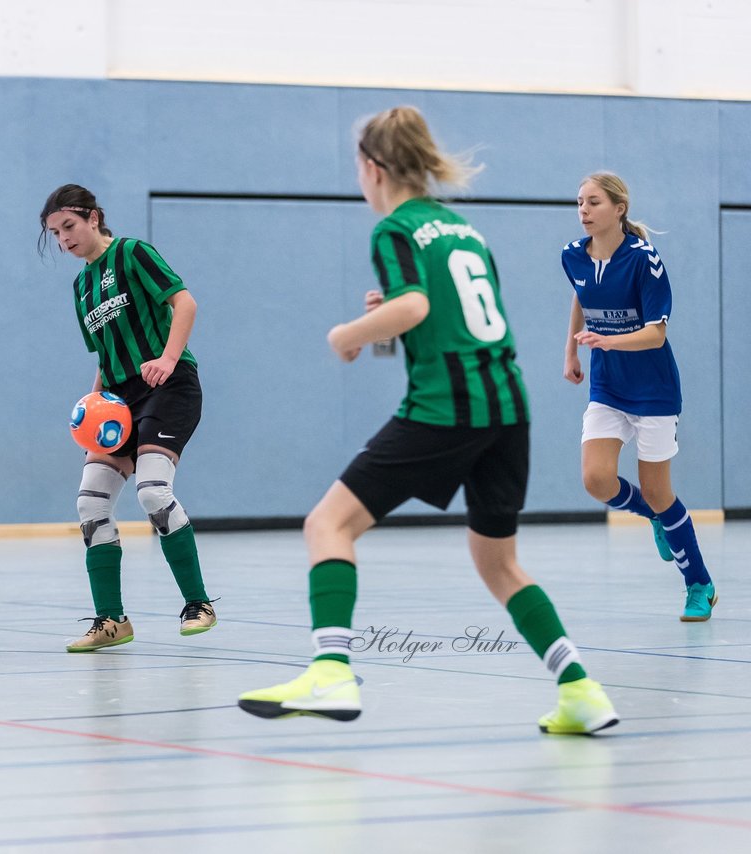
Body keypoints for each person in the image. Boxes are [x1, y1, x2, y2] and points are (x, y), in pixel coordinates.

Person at [238, 107, 618, 735]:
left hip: (447, 408)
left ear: (374, 167)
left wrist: (349, 334)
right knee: (498, 562)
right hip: (506, 407)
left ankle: (330, 671)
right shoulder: (461, 229)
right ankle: (580, 689)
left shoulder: (395, 230)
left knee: (327, 524)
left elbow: (414, 306)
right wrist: (388, 316)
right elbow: (449, 315)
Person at [39, 184, 217, 652]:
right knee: (91, 505)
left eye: (69, 227)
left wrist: (168, 358)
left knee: (153, 492)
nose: (63, 240)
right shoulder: (80, 287)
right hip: (118, 405)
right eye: (55, 234)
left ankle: (198, 603)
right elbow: (103, 356)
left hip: (168, 386)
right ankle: (111, 620)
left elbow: (185, 303)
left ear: (94, 218)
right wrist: (92, 409)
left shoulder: (133, 253)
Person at [562, 171, 717, 621]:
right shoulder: (573, 255)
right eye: (579, 203)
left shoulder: (644, 260)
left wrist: (609, 341)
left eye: (593, 203)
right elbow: (581, 295)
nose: (584, 211)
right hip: (607, 385)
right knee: (596, 479)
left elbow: (654, 335)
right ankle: (653, 515)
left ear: (619, 208)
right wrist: (571, 349)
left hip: (652, 389)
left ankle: (699, 584)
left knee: (658, 489)